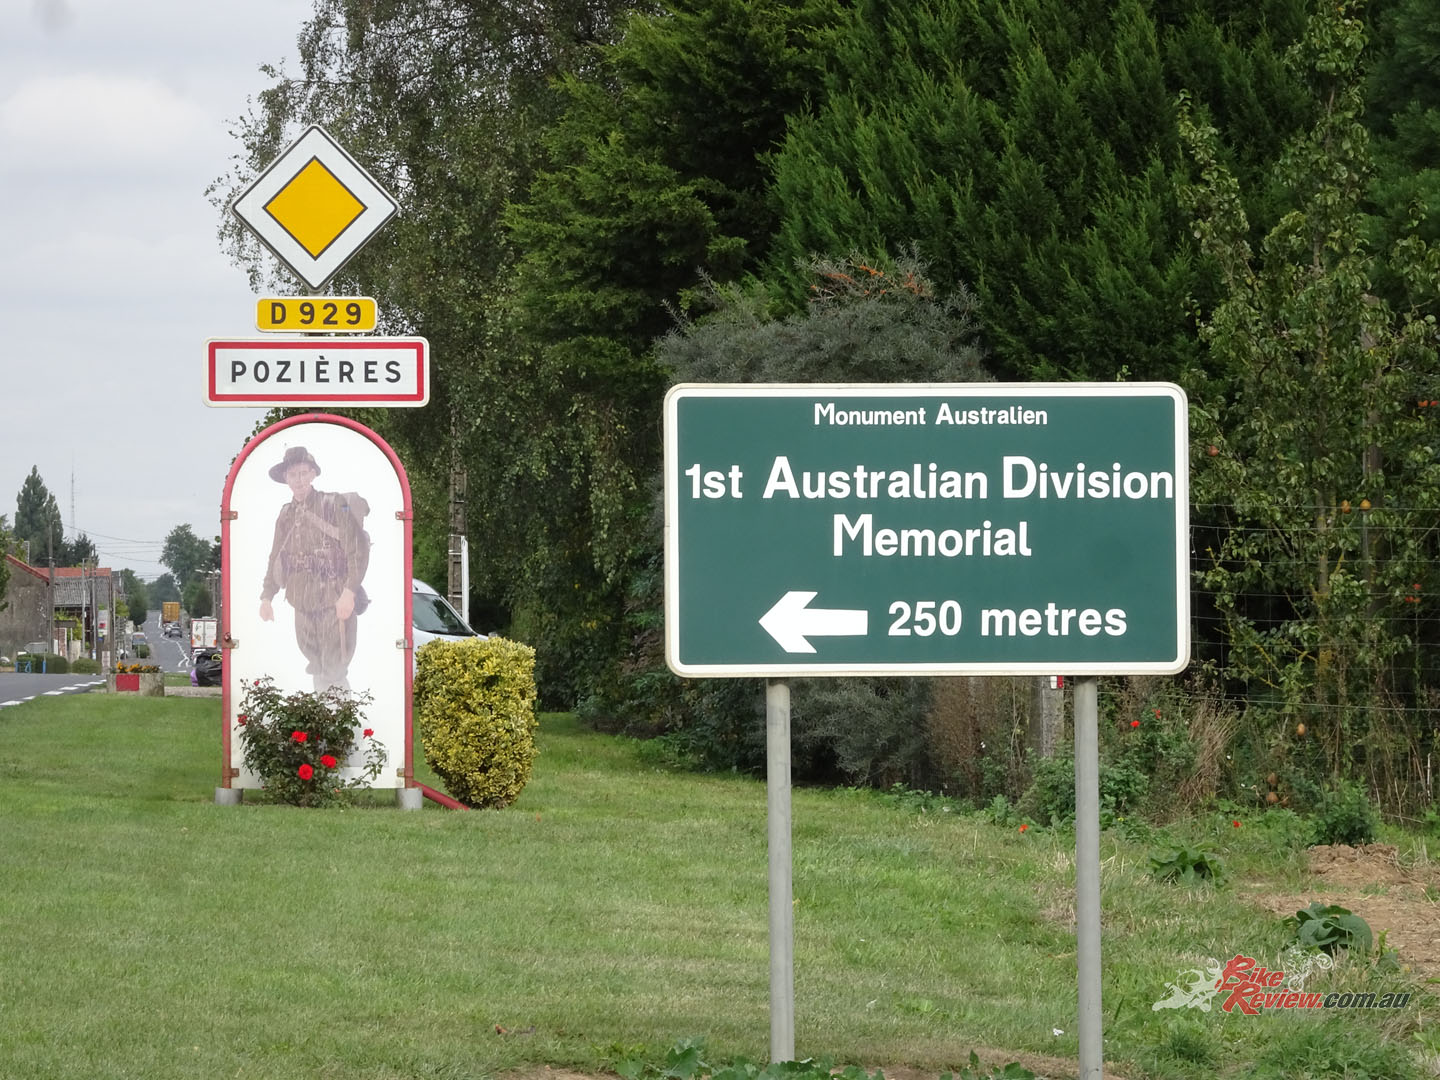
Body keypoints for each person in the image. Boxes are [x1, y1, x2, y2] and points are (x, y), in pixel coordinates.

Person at [258, 446, 370, 691]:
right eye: (292, 475)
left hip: (334, 597)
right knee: (315, 662)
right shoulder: (286, 515)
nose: (298, 480)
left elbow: (356, 550)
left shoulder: (334, 504)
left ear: (312, 475)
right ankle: (321, 719)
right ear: (286, 479)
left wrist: (349, 593)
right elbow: (276, 556)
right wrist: (267, 596)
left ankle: (340, 719)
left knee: (335, 666)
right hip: (301, 600)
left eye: (303, 473)